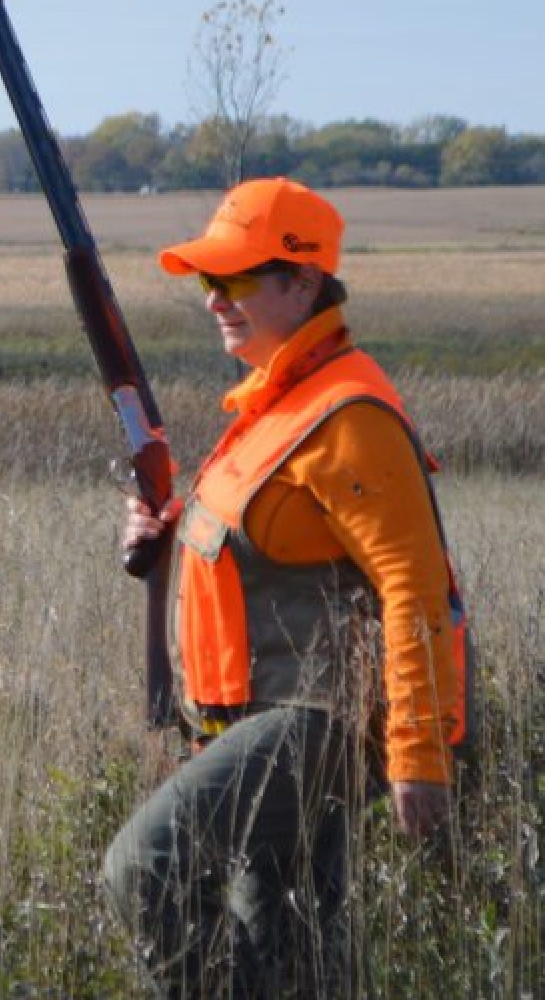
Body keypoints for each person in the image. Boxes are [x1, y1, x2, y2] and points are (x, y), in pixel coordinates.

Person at [101, 178, 470, 998]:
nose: (212, 301)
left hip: (323, 718)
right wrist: (166, 536)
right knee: (298, 950)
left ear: (302, 283)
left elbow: (413, 586)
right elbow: (245, 542)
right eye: (207, 281)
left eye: (234, 280)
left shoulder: (348, 413)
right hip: (260, 717)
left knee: (145, 867)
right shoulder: (275, 405)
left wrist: (417, 753)